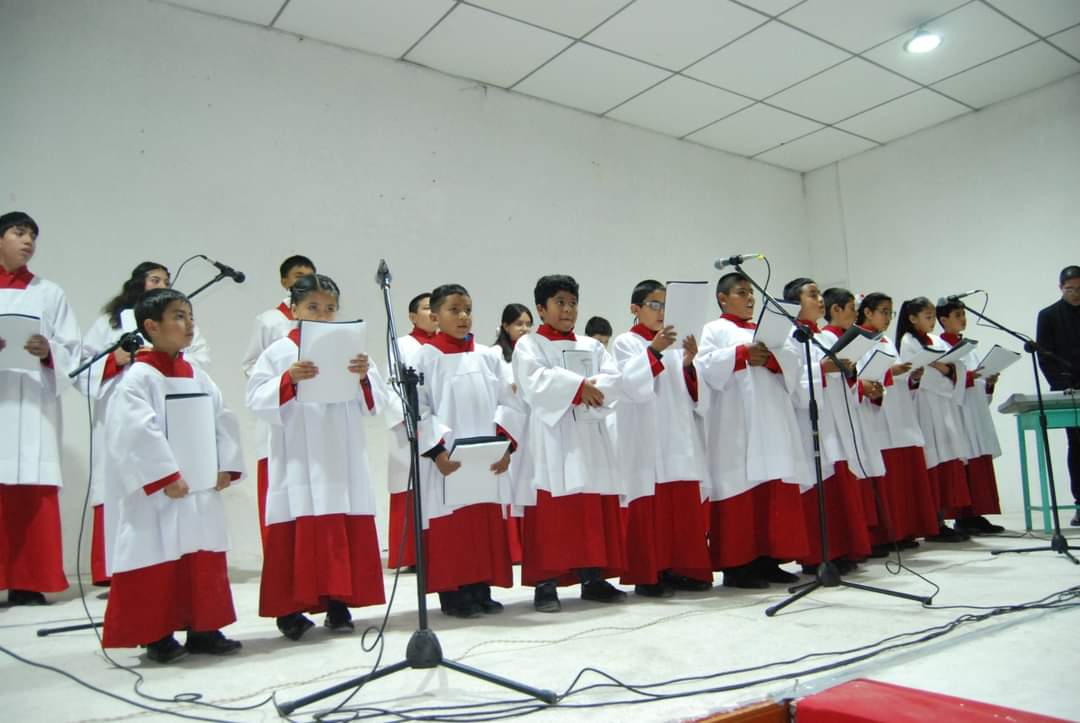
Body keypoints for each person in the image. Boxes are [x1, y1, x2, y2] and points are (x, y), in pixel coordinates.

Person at [101, 288, 244, 663]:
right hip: (164, 494)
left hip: (200, 489)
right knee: (157, 556)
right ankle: (157, 634)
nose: (189, 324)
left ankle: (203, 627)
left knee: (202, 554)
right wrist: (165, 476)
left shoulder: (197, 374)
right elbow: (135, 432)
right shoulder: (138, 378)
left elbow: (222, 418)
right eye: (179, 316)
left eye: (191, 316)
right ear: (151, 325)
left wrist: (224, 465)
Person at [247, 273, 387, 640]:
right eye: (313, 308)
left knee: (339, 524)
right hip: (298, 455)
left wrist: (363, 378)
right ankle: (290, 610)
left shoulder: (353, 352)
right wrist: (288, 379)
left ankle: (338, 603)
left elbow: (378, 405)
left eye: (329, 309)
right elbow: (256, 399)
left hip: (341, 455)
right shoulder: (277, 353)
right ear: (293, 309)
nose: (322, 316)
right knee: (297, 525)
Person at [512, 275, 653, 612]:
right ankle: (546, 584)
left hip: (590, 436)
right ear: (541, 308)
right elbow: (533, 381)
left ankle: (593, 577)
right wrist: (578, 388)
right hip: (552, 439)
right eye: (560, 302)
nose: (568, 309)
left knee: (591, 505)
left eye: (573, 303)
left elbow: (614, 379)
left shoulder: (591, 345)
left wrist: (591, 389)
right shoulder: (530, 345)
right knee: (552, 513)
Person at [695, 273, 810, 588]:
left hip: (772, 420)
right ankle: (738, 565)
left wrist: (773, 359)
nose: (749, 299)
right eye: (741, 293)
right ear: (722, 298)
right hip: (736, 422)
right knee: (740, 489)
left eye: (752, 294)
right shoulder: (715, 330)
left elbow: (793, 365)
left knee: (772, 486)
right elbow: (703, 366)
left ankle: (769, 559)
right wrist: (741, 354)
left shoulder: (772, 332)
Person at [414, 284, 521, 618]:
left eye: (467, 310)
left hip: (486, 456)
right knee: (453, 525)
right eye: (454, 310)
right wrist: (438, 452)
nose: (463, 317)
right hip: (449, 458)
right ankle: (454, 594)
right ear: (435, 316)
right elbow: (419, 409)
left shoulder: (488, 356)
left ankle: (481, 587)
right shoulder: (425, 357)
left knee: (482, 522)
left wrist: (505, 447)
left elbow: (509, 402)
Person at [0, 211, 81, 605]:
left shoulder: (50, 292)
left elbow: (74, 350)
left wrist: (49, 351)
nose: (28, 240)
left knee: (32, 489)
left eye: (33, 235)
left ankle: (28, 581)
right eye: (18, 233)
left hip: (34, 402)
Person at [612, 280, 712, 597]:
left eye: (665, 306)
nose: (660, 312)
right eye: (654, 305)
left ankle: (680, 567)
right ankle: (648, 574)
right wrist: (654, 350)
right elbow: (629, 385)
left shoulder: (677, 345)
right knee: (650, 504)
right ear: (635, 309)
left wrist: (689, 365)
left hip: (678, 436)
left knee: (679, 505)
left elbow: (697, 396)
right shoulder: (626, 343)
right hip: (646, 436)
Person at [81, 261, 174, 586]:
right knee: (117, 483)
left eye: (166, 279)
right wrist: (113, 360)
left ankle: (160, 563)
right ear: (138, 283)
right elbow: (81, 368)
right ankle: (115, 567)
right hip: (117, 413)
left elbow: (198, 355)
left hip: (162, 412)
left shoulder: (175, 320)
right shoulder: (111, 323)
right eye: (154, 279)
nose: (161, 283)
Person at [782, 279, 873, 574]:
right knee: (818, 483)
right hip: (808, 421)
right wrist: (822, 369)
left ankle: (845, 548)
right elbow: (790, 380)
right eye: (812, 295)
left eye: (820, 294)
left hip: (836, 419)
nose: (820, 300)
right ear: (796, 302)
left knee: (840, 482)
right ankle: (819, 554)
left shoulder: (823, 335)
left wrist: (848, 370)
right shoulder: (789, 337)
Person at [239, 254, 315, 544]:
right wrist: (282, 379)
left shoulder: (324, 323)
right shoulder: (269, 320)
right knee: (277, 483)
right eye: (297, 275)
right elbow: (250, 364)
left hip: (315, 413)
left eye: (309, 274)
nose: (303, 279)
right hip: (280, 410)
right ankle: (278, 550)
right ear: (284, 281)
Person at [854, 293, 939, 547]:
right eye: (882, 311)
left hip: (900, 411)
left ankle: (905, 531)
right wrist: (892, 371)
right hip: (877, 415)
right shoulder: (858, 339)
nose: (887, 318)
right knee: (885, 477)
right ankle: (885, 535)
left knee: (904, 476)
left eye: (890, 313)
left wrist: (913, 375)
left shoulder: (886, 340)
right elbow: (860, 374)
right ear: (867, 312)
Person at [897, 297, 971, 542]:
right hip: (925, 406)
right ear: (912, 318)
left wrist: (946, 369)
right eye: (928, 317)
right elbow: (918, 373)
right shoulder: (908, 342)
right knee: (932, 461)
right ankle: (933, 523)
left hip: (943, 406)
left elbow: (956, 368)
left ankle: (943, 518)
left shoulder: (937, 341)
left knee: (946, 462)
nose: (932, 322)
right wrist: (940, 369)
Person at [936, 298, 1005, 534]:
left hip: (974, 410)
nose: (963, 318)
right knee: (964, 461)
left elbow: (975, 379)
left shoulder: (968, 346)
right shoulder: (942, 349)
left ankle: (976, 514)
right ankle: (963, 516)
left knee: (978, 461)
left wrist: (988, 383)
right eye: (957, 314)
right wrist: (971, 379)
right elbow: (945, 382)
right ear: (943, 320)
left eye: (963, 314)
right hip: (959, 413)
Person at [385, 292, 438, 570]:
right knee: (410, 487)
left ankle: (438, 549)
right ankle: (410, 555)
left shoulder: (444, 346)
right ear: (412, 316)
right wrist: (410, 421)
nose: (432, 313)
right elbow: (391, 384)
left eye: (435, 308)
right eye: (427, 308)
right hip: (410, 428)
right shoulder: (401, 345)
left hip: (439, 426)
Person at [488, 302, 534, 563]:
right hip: (510, 426)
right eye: (519, 324)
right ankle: (513, 547)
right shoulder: (495, 354)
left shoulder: (533, 352)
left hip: (531, 423)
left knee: (529, 481)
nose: (524, 329)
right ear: (505, 326)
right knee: (511, 482)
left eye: (528, 324)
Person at [1035, 265, 1080, 526]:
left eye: (1079, 289)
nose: (1075, 294)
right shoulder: (1048, 316)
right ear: (1060, 288)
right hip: (1068, 390)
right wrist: (1062, 384)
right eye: (1069, 289)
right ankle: (1079, 502)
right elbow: (1044, 355)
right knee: (1077, 446)